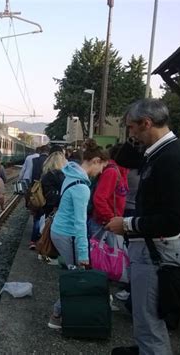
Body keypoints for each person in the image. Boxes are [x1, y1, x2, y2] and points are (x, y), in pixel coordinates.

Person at [106, 99, 180, 355]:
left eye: (132, 128)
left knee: (150, 324)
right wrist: (135, 139)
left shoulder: (170, 160)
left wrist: (128, 224)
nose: (130, 134)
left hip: (156, 254)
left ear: (147, 123)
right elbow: (123, 158)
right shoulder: (161, 152)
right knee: (144, 318)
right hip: (153, 251)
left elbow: (175, 219)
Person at [47, 139, 109, 329]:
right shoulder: (82, 187)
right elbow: (80, 224)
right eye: (102, 168)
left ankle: (61, 313)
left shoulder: (71, 175)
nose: (100, 173)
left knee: (72, 273)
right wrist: (83, 254)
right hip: (68, 234)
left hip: (59, 230)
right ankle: (57, 315)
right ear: (96, 161)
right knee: (77, 276)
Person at [89, 144, 129, 235]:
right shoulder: (112, 172)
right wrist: (111, 218)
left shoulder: (119, 171)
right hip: (104, 224)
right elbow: (99, 198)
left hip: (108, 222)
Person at [28, 144, 50, 249]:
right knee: (45, 217)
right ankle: (42, 240)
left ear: (40, 151)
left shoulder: (35, 161)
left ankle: (33, 240)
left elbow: (29, 176)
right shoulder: (50, 162)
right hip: (47, 193)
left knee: (36, 217)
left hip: (36, 191)